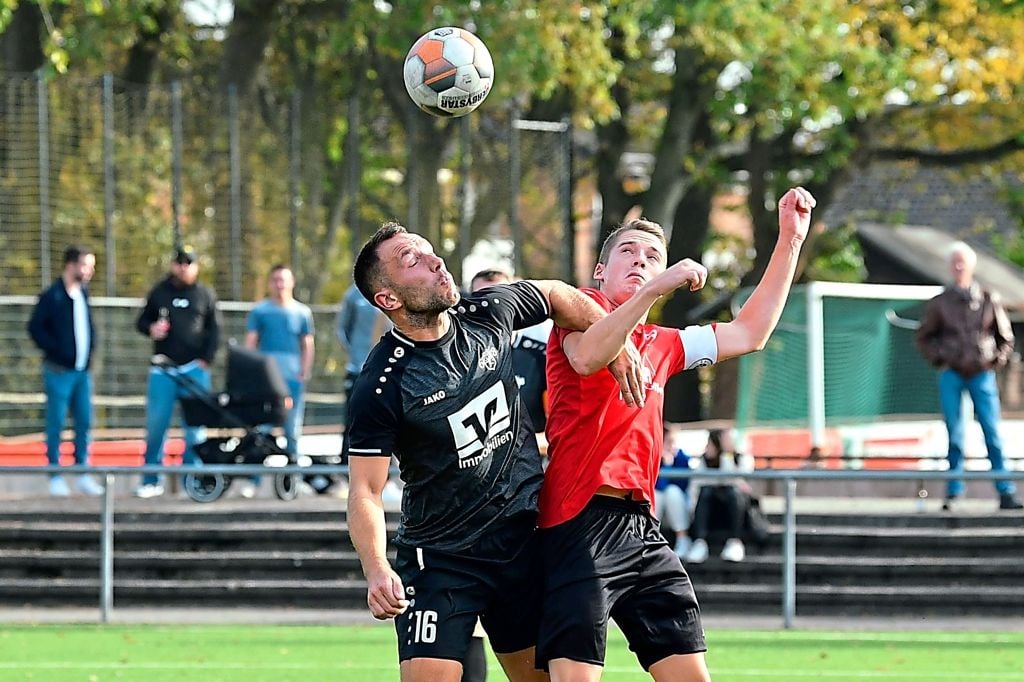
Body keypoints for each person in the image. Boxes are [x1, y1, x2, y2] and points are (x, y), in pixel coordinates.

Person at [537, 187, 816, 681]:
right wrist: (653, 288)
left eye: (652, 257)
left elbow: (750, 333)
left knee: (691, 675)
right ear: (600, 271)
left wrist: (790, 240)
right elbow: (589, 356)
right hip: (578, 520)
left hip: (641, 527)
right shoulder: (575, 315)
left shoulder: (662, 343)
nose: (640, 261)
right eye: (627, 252)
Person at [343, 222, 642, 682]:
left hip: (520, 544)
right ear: (389, 300)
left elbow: (556, 294)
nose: (435, 261)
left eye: (429, 251)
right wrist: (377, 568)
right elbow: (365, 488)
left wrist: (609, 338)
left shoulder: (488, 312)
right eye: (412, 261)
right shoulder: (382, 384)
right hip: (441, 558)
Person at [914, 241, 1023, 512]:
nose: (960, 267)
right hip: (952, 373)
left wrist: (992, 360)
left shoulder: (988, 299)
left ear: (972, 266)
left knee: (992, 432)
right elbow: (924, 337)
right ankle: (954, 489)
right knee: (955, 433)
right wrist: (942, 357)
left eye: (963, 262)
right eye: (955, 262)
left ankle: (1004, 490)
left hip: (981, 374)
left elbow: (1005, 338)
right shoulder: (940, 303)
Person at [134, 245, 220, 498]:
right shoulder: (160, 292)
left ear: (196, 267)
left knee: (195, 429)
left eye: (188, 262)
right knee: (156, 426)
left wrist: (206, 359)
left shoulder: (205, 294)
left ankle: (191, 482)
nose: (183, 267)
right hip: (163, 370)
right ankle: (151, 480)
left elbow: (215, 330)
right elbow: (141, 321)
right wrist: (152, 328)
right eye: (179, 262)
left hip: (194, 370)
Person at [27, 245, 104, 497]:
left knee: (84, 421)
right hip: (59, 371)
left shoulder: (83, 293)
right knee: (56, 422)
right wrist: (57, 350)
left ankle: (83, 471)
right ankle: (55, 474)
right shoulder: (52, 296)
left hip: (82, 373)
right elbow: (35, 328)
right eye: (86, 265)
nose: (90, 271)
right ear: (71, 265)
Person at [241, 264, 315, 499]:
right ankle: (252, 481)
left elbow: (307, 344)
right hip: (265, 383)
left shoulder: (302, 312)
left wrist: (304, 372)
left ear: (292, 282)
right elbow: (250, 343)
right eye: (275, 280)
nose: (280, 284)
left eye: (284, 279)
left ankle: (294, 480)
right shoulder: (260, 311)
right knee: (260, 430)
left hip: (292, 382)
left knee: (292, 430)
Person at [470, 269, 553, 435]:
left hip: (535, 455)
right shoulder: (458, 358)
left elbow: (557, 422)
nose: (490, 306)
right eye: (481, 299)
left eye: (499, 298)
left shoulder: (541, 356)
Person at [684, 428, 755, 564]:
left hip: (736, 509)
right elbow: (697, 485)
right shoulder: (703, 462)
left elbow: (734, 481)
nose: (706, 448)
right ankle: (699, 542)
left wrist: (726, 457)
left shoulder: (742, 458)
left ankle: (735, 541)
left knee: (732, 493)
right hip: (711, 508)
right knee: (706, 492)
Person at [654, 428, 692, 558]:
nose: (672, 446)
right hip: (660, 510)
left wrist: (670, 465)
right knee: (656, 495)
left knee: (672, 492)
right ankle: (650, 536)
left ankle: (683, 539)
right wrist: (665, 464)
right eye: (669, 442)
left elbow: (683, 485)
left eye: (674, 442)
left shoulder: (682, 458)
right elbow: (657, 486)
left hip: (680, 508)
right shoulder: (654, 457)